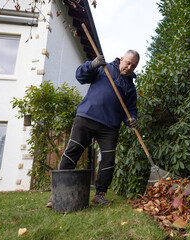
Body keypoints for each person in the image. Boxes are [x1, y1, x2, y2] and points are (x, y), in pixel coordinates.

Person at [46, 50, 140, 207]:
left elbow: (130, 110)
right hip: (87, 117)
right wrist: (92, 65)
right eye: (128, 62)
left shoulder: (130, 87)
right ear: (121, 59)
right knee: (73, 152)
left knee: (109, 160)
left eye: (133, 65)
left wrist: (132, 119)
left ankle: (100, 194)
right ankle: (57, 194)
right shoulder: (104, 68)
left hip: (109, 127)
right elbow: (80, 76)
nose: (129, 67)